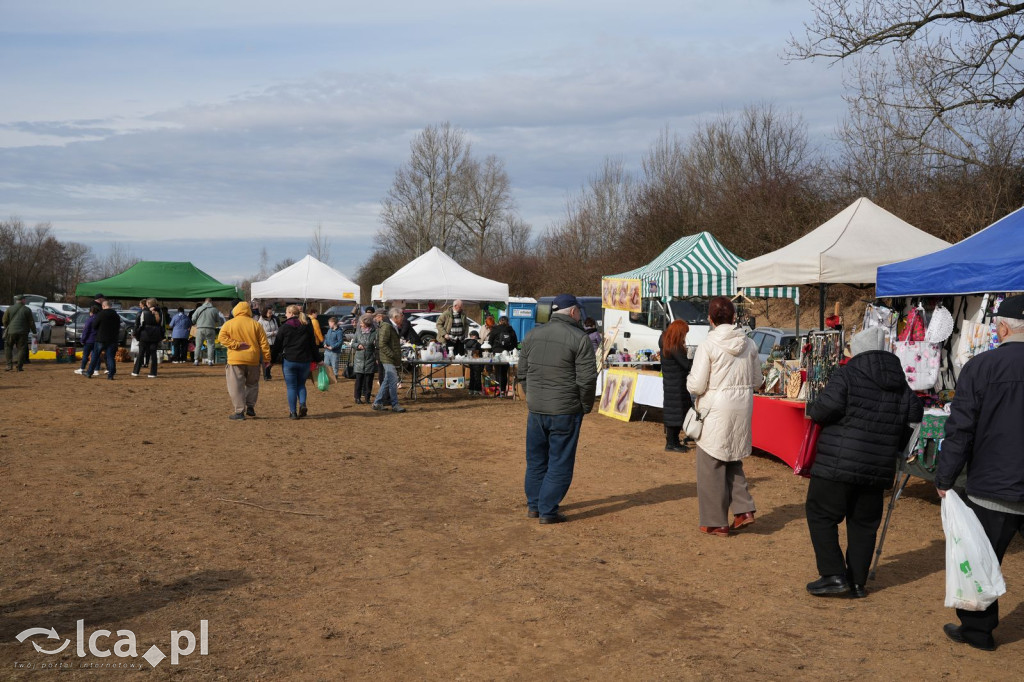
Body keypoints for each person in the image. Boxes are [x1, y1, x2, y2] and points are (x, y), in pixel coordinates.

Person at [804, 327, 923, 599]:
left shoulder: (846, 374)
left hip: (837, 463)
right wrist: (893, 441)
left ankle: (834, 575)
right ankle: (857, 581)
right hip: (878, 466)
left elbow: (823, 410)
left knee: (821, 515)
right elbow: (915, 414)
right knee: (864, 524)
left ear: (856, 350)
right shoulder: (900, 382)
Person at [935, 294, 1024, 651]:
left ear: (1002, 327)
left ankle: (977, 630)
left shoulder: (982, 367)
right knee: (983, 556)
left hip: (993, 485)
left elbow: (961, 429)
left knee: (980, 559)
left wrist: (944, 478)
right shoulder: (984, 367)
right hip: (998, 482)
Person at [685, 296, 762, 537]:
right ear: (733, 318)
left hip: (715, 407)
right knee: (732, 457)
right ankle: (743, 509)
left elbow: (697, 386)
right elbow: (758, 381)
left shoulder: (708, 345)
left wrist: (688, 382)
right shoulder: (749, 344)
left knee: (711, 462)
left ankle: (716, 521)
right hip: (742, 406)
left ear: (710, 319)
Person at [518, 294, 597, 524]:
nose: (580, 315)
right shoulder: (580, 339)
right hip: (565, 410)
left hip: (537, 410)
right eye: (579, 311)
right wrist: (585, 405)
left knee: (536, 461)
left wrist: (532, 396)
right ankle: (547, 510)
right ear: (573, 312)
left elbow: (522, 374)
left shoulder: (532, 335)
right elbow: (587, 381)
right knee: (559, 462)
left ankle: (534, 506)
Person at [218, 301, 272, 420]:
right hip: (253, 359)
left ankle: (239, 411)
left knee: (236, 386)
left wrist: (236, 344)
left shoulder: (229, 324)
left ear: (235, 311)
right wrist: (267, 358)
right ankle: (250, 406)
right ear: (249, 311)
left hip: (235, 359)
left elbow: (221, 338)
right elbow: (264, 343)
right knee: (252, 384)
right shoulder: (256, 324)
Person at [272, 304, 319, 419]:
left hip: (290, 360)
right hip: (305, 360)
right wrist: (318, 359)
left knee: (291, 387)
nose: (286, 315)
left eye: (287, 313)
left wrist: (272, 360)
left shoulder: (284, 327)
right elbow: (313, 344)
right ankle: (302, 403)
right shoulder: (307, 326)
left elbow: (277, 345)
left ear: (291, 314)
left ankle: (293, 412)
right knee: (301, 384)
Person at [659, 320, 693, 453]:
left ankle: (673, 441)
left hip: (672, 383)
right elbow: (685, 365)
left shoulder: (667, 343)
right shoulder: (674, 347)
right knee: (676, 413)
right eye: (684, 333)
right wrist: (697, 361)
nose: (685, 336)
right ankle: (672, 443)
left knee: (674, 412)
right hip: (676, 384)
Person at [372, 307, 408, 413]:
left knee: (387, 381)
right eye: (401, 316)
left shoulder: (391, 326)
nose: (403, 318)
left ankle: (377, 403)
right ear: (396, 317)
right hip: (388, 358)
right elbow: (382, 344)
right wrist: (392, 355)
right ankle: (395, 404)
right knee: (392, 381)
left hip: (389, 358)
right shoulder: (387, 326)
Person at [86, 300, 122, 380]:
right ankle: (111, 375)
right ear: (111, 306)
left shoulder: (100, 314)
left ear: (104, 306)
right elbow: (118, 327)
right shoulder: (116, 315)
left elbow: (94, 325)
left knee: (95, 356)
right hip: (112, 339)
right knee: (110, 357)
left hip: (101, 338)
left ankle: (89, 372)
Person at [3, 295, 36, 372]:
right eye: (25, 300)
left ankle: (9, 365)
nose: (25, 301)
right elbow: (31, 322)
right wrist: (34, 332)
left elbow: (4, 320)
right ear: (23, 300)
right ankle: (19, 367)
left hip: (11, 332)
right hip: (23, 332)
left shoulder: (9, 309)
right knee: (21, 348)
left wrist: (7, 327)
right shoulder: (27, 310)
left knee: (8, 347)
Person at [132, 298, 163, 378]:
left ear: (148, 304)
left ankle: (136, 371)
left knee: (141, 353)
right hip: (155, 335)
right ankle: (153, 373)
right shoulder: (159, 312)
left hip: (144, 335)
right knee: (153, 354)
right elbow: (161, 324)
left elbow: (140, 324)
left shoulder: (143, 312)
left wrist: (136, 333)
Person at [489, 315, 518, 398]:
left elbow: (490, 341)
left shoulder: (495, 329)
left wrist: (493, 349)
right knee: (504, 372)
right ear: (507, 322)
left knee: (498, 371)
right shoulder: (511, 330)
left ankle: (498, 390)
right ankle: (503, 391)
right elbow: (515, 343)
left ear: (499, 321)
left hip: (497, 353)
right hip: (507, 354)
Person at [351, 314, 377, 404]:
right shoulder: (358, 332)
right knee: (359, 381)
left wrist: (375, 344)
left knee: (369, 381)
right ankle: (357, 398)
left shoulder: (375, 333)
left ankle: (367, 398)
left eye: (361, 323)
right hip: (359, 360)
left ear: (366, 323)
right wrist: (358, 345)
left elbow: (377, 345)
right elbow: (353, 343)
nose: (360, 324)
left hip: (370, 359)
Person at [192, 298, 221, 366]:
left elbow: (193, 319)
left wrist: (196, 322)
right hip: (210, 329)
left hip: (200, 329)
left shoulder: (199, 309)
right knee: (210, 345)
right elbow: (218, 320)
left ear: (204, 302)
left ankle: (196, 360)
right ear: (211, 302)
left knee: (198, 345)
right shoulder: (214, 309)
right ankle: (210, 361)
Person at [74, 305, 100, 375]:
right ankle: (96, 370)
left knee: (85, 355)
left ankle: (82, 368)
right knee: (96, 355)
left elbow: (86, 330)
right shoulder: (100, 319)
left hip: (89, 340)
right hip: (97, 340)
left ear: (91, 312)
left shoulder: (90, 320)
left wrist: (82, 339)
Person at [257, 307, 279, 380]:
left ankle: (268, 372)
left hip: (274, 342)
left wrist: (274, 333)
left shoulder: (274, 320)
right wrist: (272, 333)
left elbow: (277, 330)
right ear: (265, 313)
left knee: (273, 359)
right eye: (269, 313)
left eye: (271, 312)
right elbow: (262, 333)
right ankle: (266, 374)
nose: (270, 314)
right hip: (266, 343)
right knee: (266, 359)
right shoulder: (260, 322)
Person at [464, 330, 483, 395]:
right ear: (475, 337)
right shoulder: (478, 344)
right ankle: (477, 390)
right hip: (477, 361)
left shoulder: (466, 343)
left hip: (470, 361)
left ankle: (471, 389)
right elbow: (480, 353)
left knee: (472, 375)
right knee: (477, 376)